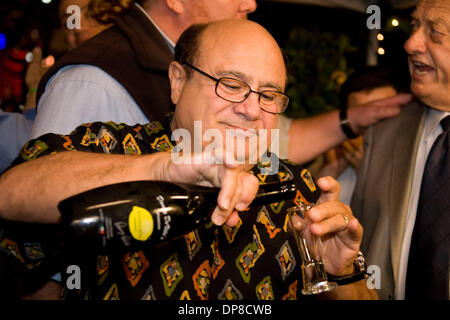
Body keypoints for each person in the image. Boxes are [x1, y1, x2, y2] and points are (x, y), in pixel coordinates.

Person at [0, 19, 377, 300]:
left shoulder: (296, 191)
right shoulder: (111, 146)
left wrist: (342, 273)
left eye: (269, 94)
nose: (251, 108)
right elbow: (10, 193)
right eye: (231, 84)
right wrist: (160, 167)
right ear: (178, 82)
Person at [351, 0, 450, 300]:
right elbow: (356, 259)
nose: (410, 43)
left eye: (435, 32)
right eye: (414, 26)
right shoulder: (383, 133)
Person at [308, 67, 400, 205]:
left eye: (384, 115)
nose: (374, 127)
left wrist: (367, 173)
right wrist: (328, 172)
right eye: (363, 117)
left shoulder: (415, 159)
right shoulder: (331, 155)